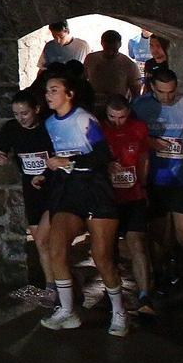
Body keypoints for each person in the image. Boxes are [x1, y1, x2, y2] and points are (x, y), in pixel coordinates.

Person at [37, 75, 128, 335]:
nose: (48, 95)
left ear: (69, 94)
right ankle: (67, 310)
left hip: (95, 190)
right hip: (69, 192)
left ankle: (120, 312)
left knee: (102, 256)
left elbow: (102, 155)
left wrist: (69, 161)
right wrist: (47, 172)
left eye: (54, 90)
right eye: (46, 91)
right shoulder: (50, 123)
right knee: (56, 248)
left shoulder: (84, 119)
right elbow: (56, 159)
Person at [134, 66, 183, 295]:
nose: (167, 97)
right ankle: (163, 274)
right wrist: (149, 142)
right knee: (159, 234)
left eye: (171, 92)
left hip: (181, 177)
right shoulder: (139, 106)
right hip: (154, 178)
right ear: (151, 88)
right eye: (162, 92)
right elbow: (129, 136)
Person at [0, 88, 54, 302]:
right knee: (40, 241)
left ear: (36, 109)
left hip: (55, 189)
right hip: (31, 190)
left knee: (49, 238)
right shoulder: (12, 128)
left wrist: (46, 173)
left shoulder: (49, 127)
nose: (21, 118)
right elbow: (2, 149)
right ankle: (52, 286)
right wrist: (1, 156)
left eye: (25, 113)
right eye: (16, 114)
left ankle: (63, 286)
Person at [98, 94, 156, 319]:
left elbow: (144, 158)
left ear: (128, 113)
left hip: (133, 195)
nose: (117, 121)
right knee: (108, 248)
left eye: (121, 117)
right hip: (108, 198)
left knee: (138, 243)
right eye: (113, 117)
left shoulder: (139, 128)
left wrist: (143, 185)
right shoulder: (100, 130)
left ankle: (144, 295)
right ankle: (112, 291)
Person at [83, 30, 142, 102]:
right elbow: (82, 81)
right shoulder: (90, 59)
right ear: (102, 43)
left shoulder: (130, 65)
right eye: (107, 49)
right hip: (93, 105)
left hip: (117, 108)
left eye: (114, 49)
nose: (110, 53)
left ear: (120, 44)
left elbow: (136, 95)